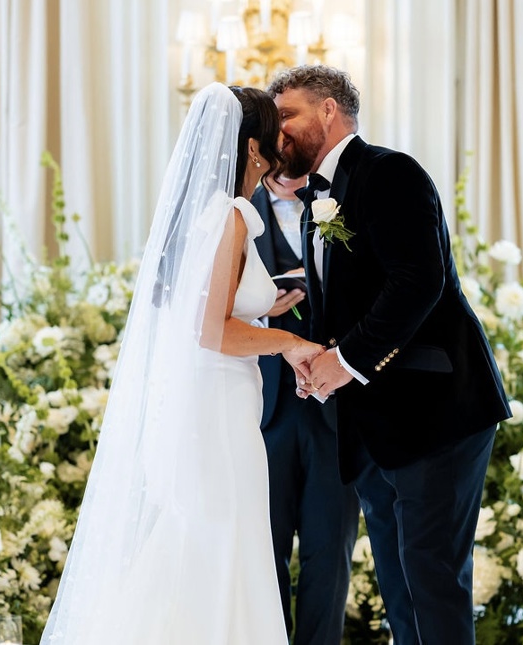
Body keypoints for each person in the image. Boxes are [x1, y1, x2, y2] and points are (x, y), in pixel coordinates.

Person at [39, 83, 323, 645]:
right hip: (218, 416)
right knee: (222, 548)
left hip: (202, 407)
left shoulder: (193, 217)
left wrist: (267, 304)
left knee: (200, 546)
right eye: (270, 141)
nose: (274, 154)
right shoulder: (233, 214)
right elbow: (209, 329)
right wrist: (288, 344)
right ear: (250, 149)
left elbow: (199, 308)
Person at [267, 65, 512, 645]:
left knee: (432, 584)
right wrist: (314, 360)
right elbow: (349, 302)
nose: (278, 133)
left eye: (287, 116)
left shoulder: (390, 172)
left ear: (329, 111)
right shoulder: (314, 202)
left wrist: (344, 361)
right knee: (402, 594)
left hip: (435, 412)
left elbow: (417, 283)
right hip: (374, 426)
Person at [252, 173, 359, 645]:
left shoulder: (346, 201)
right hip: (261, 409)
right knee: (261, 552)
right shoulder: (232, 209)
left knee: (330, 553)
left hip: (336, 408)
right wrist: (259, 311)